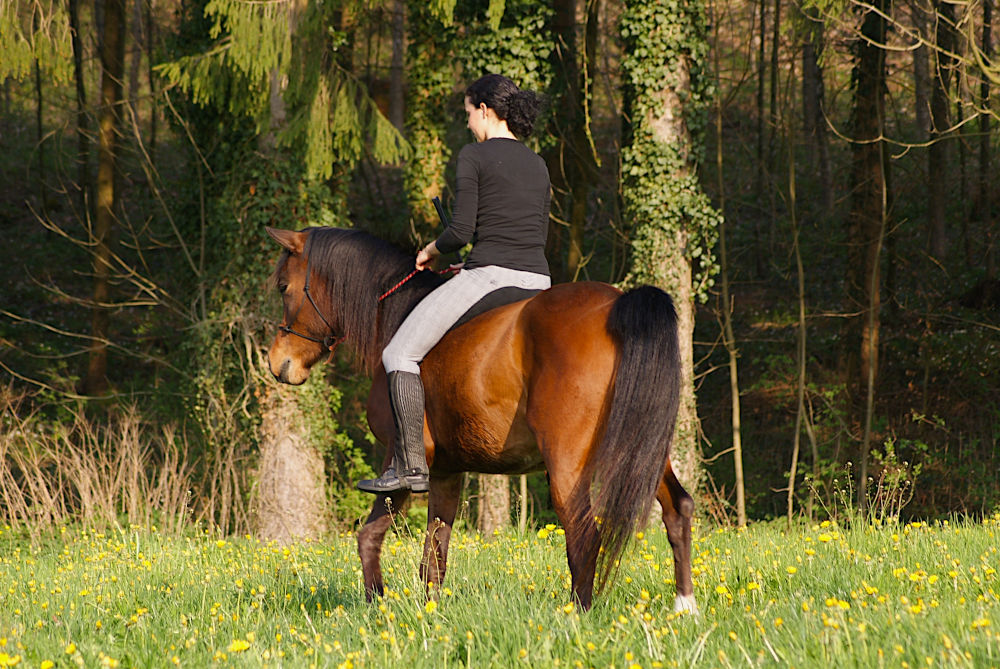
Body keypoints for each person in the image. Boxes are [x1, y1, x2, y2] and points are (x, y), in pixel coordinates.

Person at [357, 74, 551, 494]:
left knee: (399, 353)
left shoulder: (474, 156)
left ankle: (410, 468)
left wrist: (431, 249)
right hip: (538, 279)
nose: (467, 123)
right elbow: (527, 232)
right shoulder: (537, 163)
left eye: (468, 113)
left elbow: (460, 230)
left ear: (484, 110)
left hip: (492, 276)